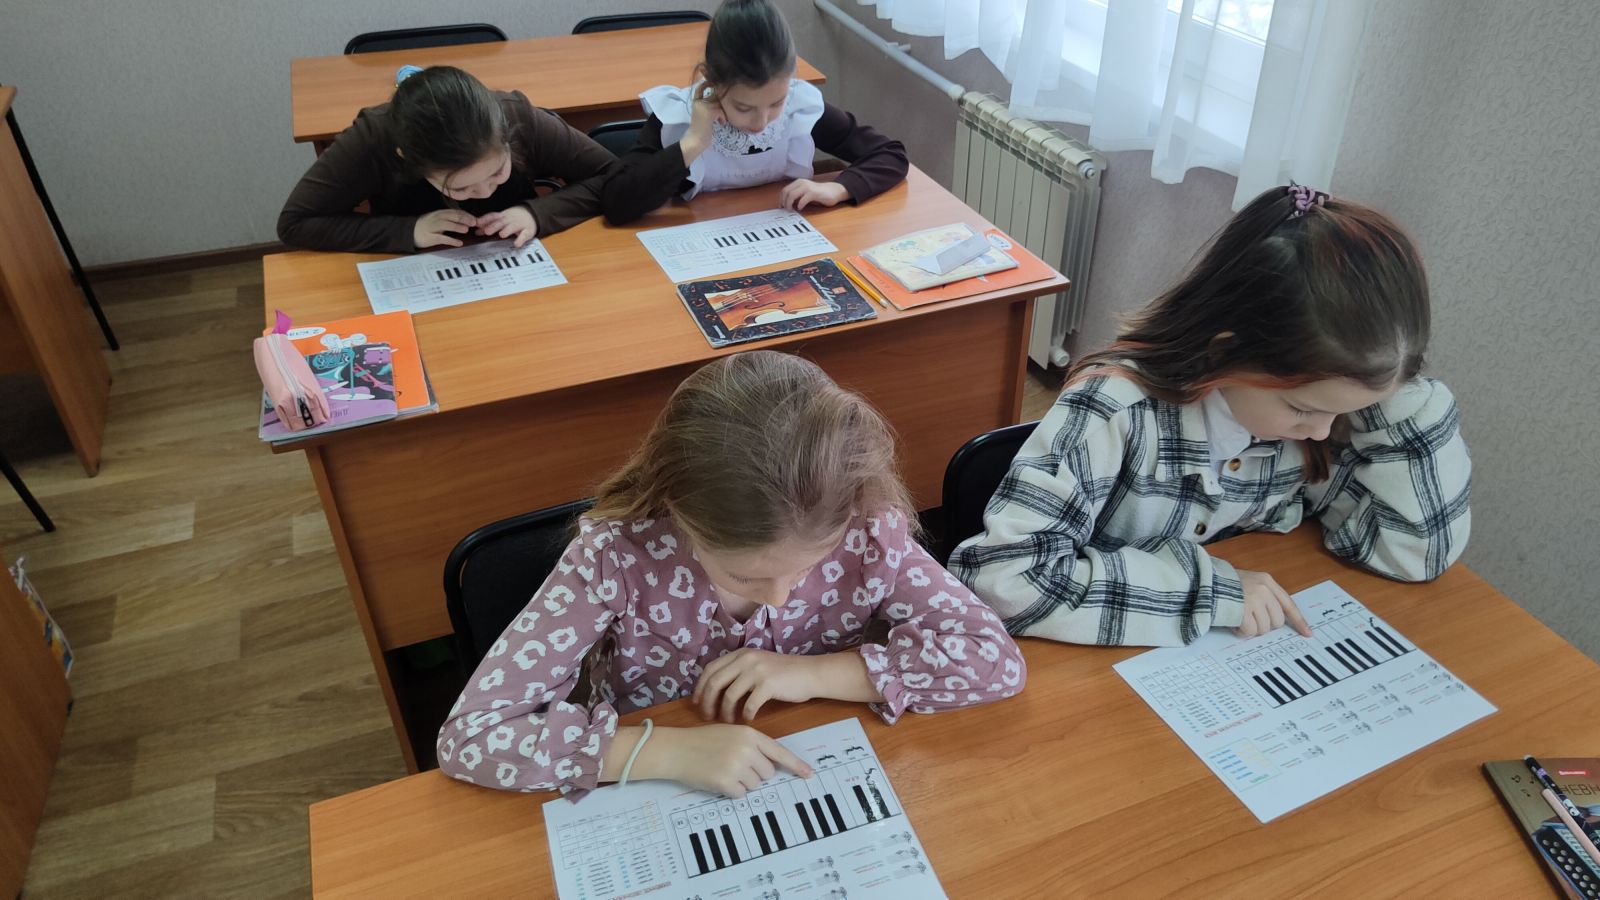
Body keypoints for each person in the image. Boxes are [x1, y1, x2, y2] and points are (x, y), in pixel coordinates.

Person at [437, 351, 1025, 797]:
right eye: (744, 578)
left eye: (808, 567)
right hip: (662, 776)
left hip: (808, 752)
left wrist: (814, 672)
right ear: (677, 513)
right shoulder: (614, 557)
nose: (781, 597)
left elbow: (993, 660)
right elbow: (470, 736)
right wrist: (661, 752)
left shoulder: (867, 530)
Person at [952, 184, 1472, 646]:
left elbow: (1413, 552)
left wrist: (1393, 386)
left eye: (1340, 413)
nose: (1320, 432)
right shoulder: (1115, 412)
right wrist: (1211, 592)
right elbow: (1001, 581)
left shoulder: (1318, 415)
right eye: (1302, 409)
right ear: (1225, 350)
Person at [600, 0, 906, 225]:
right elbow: (616, 201)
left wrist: (840, 188)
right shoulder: (679, 116)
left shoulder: (799, 106)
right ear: (712, 83)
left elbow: (890, 153)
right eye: (744, 108)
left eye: (776, 104)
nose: (761, 123)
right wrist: (692, 143)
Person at [278, 65, 615, 253]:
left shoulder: (518, 117)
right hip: (421, 270)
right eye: (462, 188)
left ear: (507, 138)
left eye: (497, 173)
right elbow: (296, 224)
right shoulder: (373, 138)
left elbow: (613, 174)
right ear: (408, 160)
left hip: (519, 260)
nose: (484, 193)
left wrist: (537, 213)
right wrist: (407, 231)